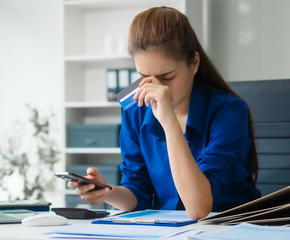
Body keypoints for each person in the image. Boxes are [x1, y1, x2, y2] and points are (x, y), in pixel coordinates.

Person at [68, 6, 260, 219]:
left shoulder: (229, 111)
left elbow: (199, 208)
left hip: (226, 227)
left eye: (167, 77)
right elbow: (137, 190)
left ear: (194, 63)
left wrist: (169, 122)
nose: (155, 89)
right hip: (167, 228)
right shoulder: (135, 110)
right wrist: (106, 192)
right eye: (144, 77)